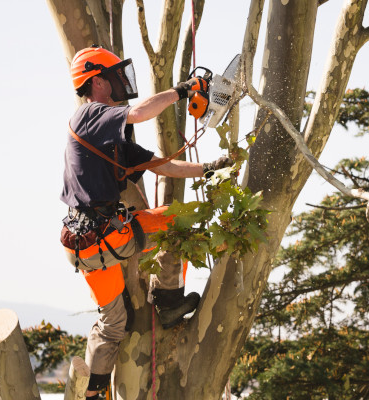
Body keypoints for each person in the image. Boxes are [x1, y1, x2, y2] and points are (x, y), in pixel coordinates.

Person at [58, 45, 232, 399]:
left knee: (113, 323)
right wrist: (181, 91)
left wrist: (212, 167)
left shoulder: (112, 138)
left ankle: (92, 395)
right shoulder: (88, 115)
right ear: (98, 81)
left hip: (82, 246)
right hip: (105, 237)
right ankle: (168, 301)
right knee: (176, 221)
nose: (121, 82)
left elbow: (165, 165)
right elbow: (137, 113)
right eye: (114, 76)